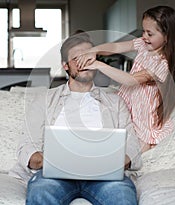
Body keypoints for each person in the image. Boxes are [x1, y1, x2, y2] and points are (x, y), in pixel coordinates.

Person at [10, 32, 142, 205]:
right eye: (77, 58)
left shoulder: (116, 102)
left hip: (104, 176)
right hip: (55, 176)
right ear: (65, 65)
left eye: (88, 57)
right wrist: (52, 161)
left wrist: (114, 163)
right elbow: (27, 146)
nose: (84, 62)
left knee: (122, 197)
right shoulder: (43, 100)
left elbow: (132, 144)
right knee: (41, 194)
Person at [76, 6, 175, 153]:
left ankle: (149, 148)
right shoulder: (143, 44)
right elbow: (115, 47)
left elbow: (130, 80)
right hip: (128, 99)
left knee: (138, 148)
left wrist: (98, 64)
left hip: (143, 111)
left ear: (167, 37)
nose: (144, 36)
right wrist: (94, 50)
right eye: (143, 31)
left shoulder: (161, 64)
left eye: (150, 33)